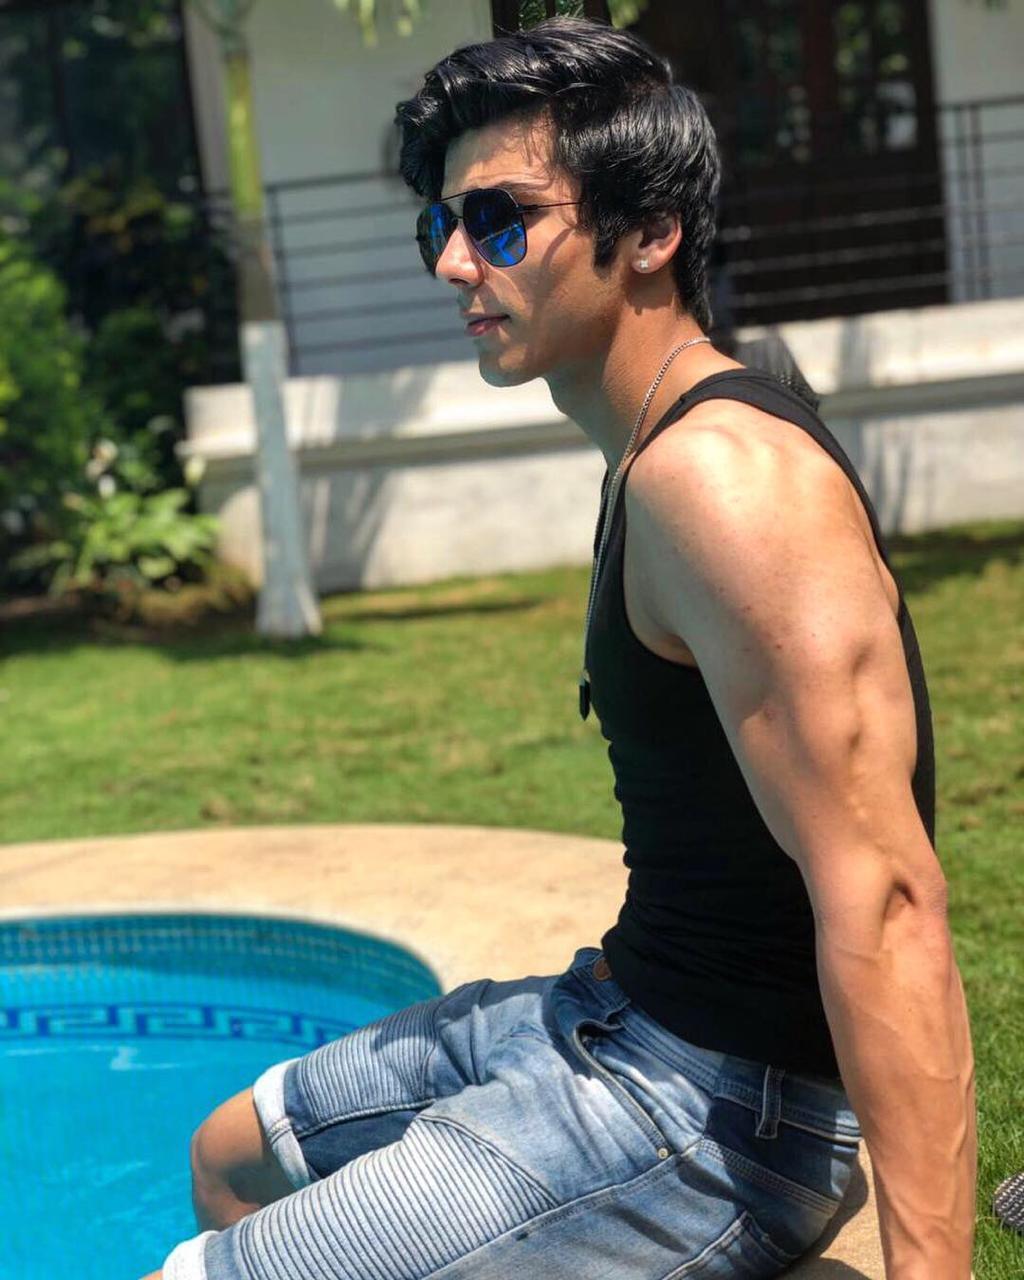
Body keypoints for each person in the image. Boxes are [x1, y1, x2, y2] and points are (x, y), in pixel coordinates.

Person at [145, 17, 976, 1280]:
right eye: (441, 224)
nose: (452, 262)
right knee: (232, 1150)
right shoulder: (646, 449)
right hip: (613, 1006)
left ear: (651, 232)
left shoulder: (722, 482)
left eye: (499, 220)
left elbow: (890, 896)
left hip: (713, 1106)